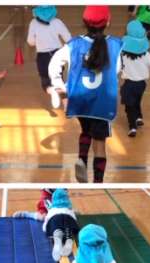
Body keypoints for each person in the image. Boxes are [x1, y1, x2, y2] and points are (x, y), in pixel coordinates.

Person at [49, 6, 122, 183]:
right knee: (100, 142)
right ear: (108, 22)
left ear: (84, 22)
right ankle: (97, 181)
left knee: (86, 129)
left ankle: (82, 158)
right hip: (102, 104)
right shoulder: (115, 45)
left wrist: (61, 88)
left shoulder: (73, 45)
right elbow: (118, 70)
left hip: (80, 100)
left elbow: (54, 65)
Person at [120, 19, 150, 137]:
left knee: (129, 106)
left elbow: (117, 67)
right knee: (137, 101)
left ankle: (132, 127)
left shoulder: (123, 54)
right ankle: (139, 117)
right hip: (141, 85)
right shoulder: (146, 55)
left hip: (129, 84)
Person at [27, 6, 71, 108]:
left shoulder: (33, 23)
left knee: (45, 82)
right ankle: (66, 105)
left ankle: (51, 91)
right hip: (57, 55)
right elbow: (68, 38)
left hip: (42, 56)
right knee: (59, 80)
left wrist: (39, 41)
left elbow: (30, 42)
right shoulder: (57, 22)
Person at [42, 188, 79, 261]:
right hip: (68, 219)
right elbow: (74, 219)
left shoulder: (52, 209)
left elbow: (47, 221)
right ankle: (69, 238)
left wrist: (45, 228)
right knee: (69, 227)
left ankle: (57, 236)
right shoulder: (69, 209)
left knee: (55, 228)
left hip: (55, 220)